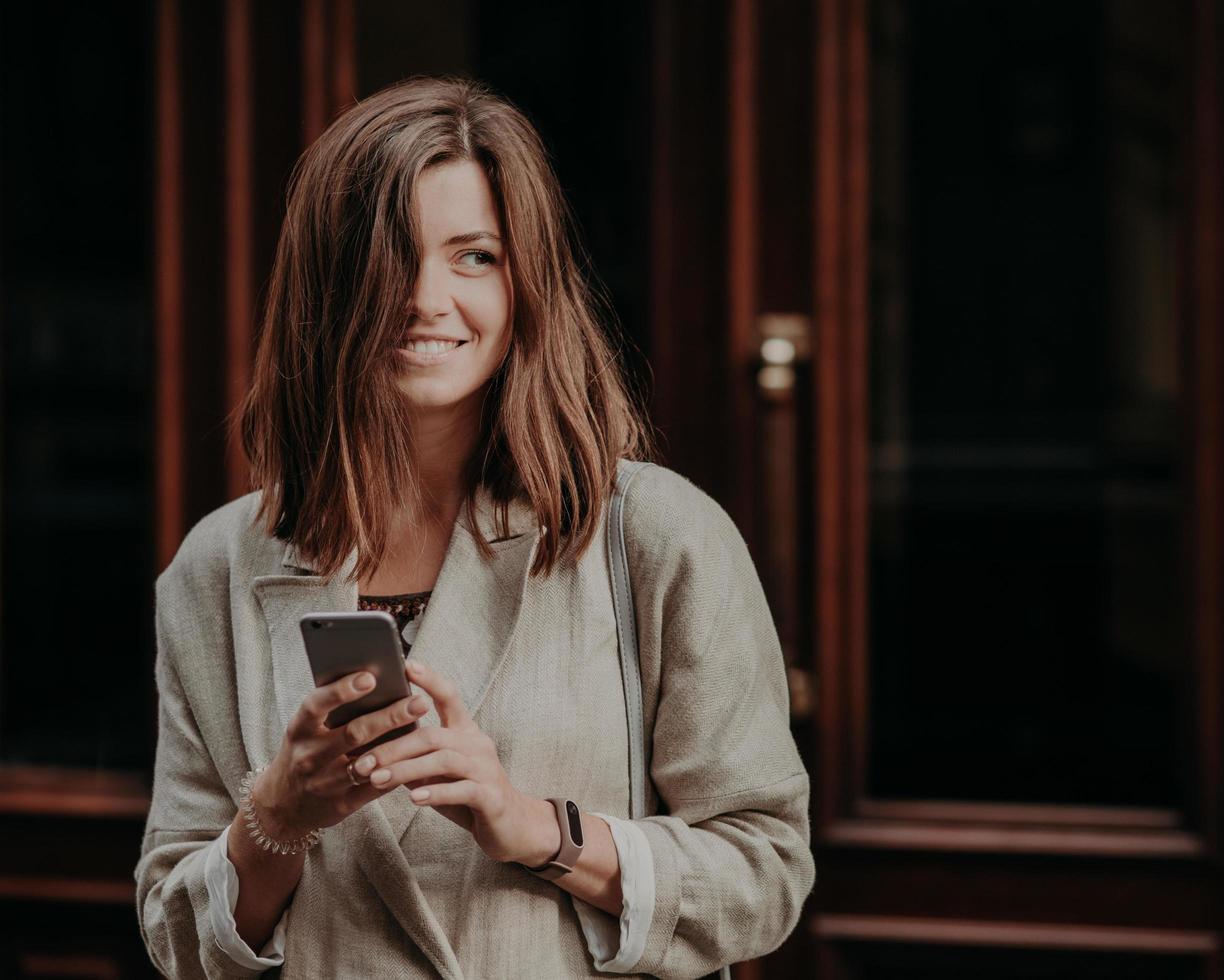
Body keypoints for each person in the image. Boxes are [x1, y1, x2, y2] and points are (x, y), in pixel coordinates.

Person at [134, 74, 815, 980]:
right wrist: (277, 814)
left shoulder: (656, 535)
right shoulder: (218, 565)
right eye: (391, 256)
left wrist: (533, 826)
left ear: (527, 278)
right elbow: (176, 935)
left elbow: (765, 871)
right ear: (326, 286)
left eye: (475, 256)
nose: (426, 298)